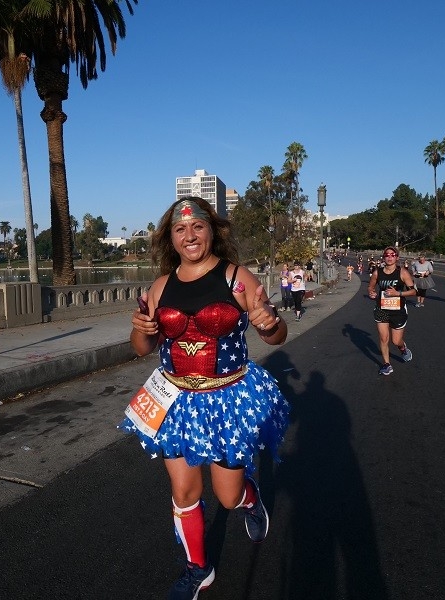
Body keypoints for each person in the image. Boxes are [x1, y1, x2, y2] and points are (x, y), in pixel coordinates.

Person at [122, 197, 290, 600]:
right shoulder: (161, 286)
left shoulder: (236, 278)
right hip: (175, 399)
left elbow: (274, 334)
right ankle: (198, 569)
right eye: (180, 230)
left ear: (212, 231)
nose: (189, 235)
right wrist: (143, 327)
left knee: (228, 496)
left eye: (197, 226)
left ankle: (250, 501)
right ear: (171, 239)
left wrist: (271, 322)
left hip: (227, 397)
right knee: (184, 492)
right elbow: (142, 348)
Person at [367, 246, 416, 376]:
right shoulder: (377, 272)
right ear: (383, 257)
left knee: (395, 341)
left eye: (392, 255)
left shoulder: (403, 272)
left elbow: (413, 291)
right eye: (387, 255)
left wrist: (397, 293)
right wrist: (371, 293)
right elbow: (370, 287)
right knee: (383, 338)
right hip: (382, 308)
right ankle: (387, 364)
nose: (389, 257)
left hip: (398, 310)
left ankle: (403, 348)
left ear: (397, 257)